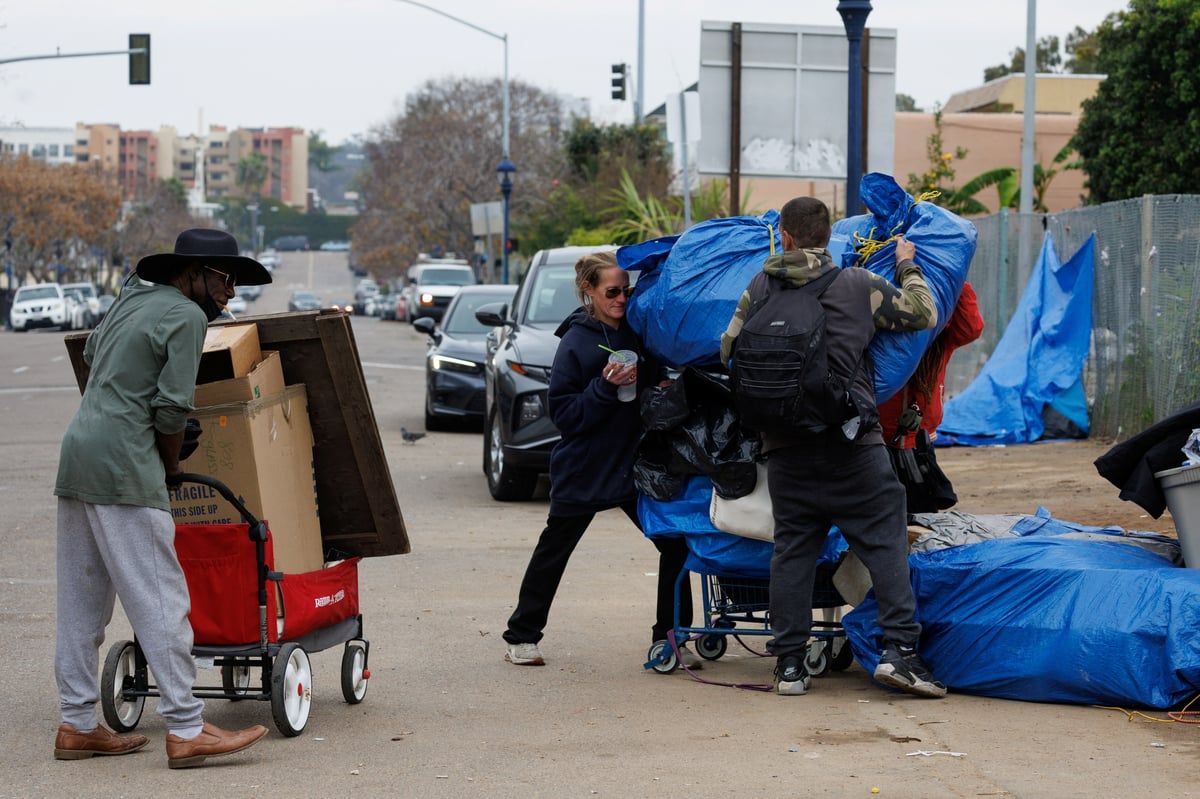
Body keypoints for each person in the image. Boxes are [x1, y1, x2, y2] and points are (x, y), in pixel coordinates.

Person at [53, 228, 274, 768]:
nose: (230, 292)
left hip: (78, 453)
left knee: (81, 606)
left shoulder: (131, 300)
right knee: (161, 600)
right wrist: (171, 466)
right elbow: (172, 409)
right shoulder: (186, 316)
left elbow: (97, 359)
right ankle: (186, 727)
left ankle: (77, 723)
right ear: (191, 273)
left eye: (235, 282)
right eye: (224, 279)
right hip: (125, 464)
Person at [720, 197, 947, 698]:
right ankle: (900, 653)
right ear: (827, 237)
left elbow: (727, 349)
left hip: (784, 449)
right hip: (851, 447)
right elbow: (923, 313)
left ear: (787, 234)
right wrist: (907, 265)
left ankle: (789, 666)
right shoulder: (857, 286)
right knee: (884, 541)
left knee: (793, 551)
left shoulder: (758, 287)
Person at [503, 251, 697, 668]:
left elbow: (650, 386)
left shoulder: (635, 332)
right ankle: (521, 636)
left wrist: (658, 383)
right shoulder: (575, 342)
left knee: (675, 544)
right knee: (554, 551)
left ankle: (671, 639)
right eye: (612, 291)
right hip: (586, 465)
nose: (622, 299)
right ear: (588, 291)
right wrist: (604, 387)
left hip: (633, 465)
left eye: (626, 291)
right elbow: (566, 416)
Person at [879, 283, 984, 513]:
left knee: (920, 514)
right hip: (877, 438)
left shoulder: (939, 337)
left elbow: (971, 328)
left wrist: (958, 278)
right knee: (881, 512)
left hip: (919, 441)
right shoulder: (880, 337)